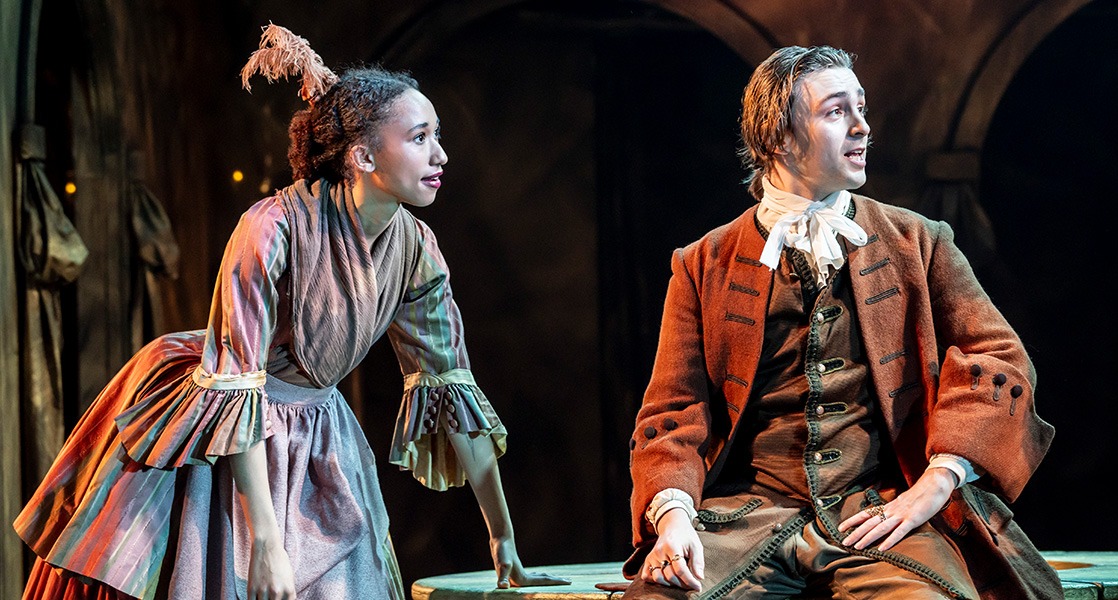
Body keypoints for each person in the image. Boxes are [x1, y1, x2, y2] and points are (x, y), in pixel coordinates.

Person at [14, 24, 568, 600]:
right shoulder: (271, 228)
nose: (440, 153)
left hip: (318, 433)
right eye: (421, 136)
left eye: (438, 135)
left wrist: (503, 542)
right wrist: (266, 543)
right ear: (362, 154)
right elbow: (237, 382)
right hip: (226, 431)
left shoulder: (416, 248)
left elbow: (450, 388)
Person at [623, 46, 1060, 599]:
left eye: (862, 109)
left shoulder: (916, 242)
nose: (862, 127)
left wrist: (934, 484)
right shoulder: (704, 262)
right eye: (836, 112)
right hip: (747, 518)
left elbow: (999, 359)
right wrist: (674, 520)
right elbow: (672, 409)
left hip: (879, 511)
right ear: (780, 137)